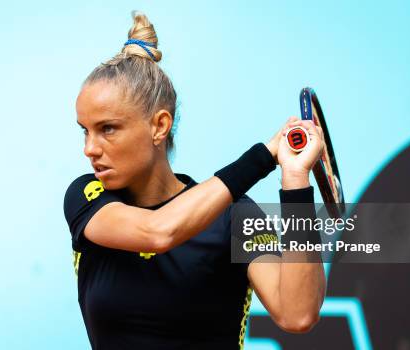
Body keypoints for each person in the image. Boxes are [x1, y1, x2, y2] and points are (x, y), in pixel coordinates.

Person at [63, 11, 326, 350]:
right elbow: (157, 232)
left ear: (159, 126)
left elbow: (298, 315)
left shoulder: (237, 217)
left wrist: (295, 178)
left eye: (107, 129)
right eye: (85, 130)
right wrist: (262, 156)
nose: (89, 149)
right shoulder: (87, 196)